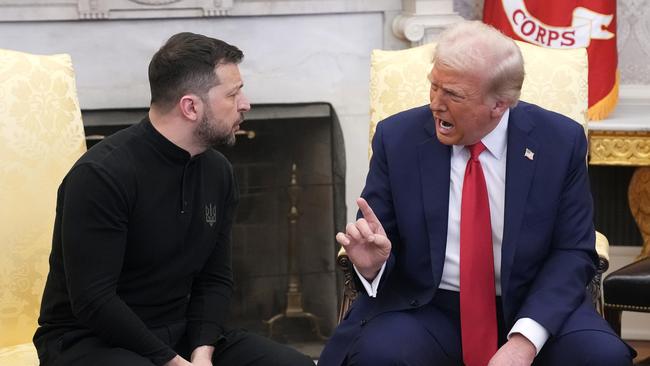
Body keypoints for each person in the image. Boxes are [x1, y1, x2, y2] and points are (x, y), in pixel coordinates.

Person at [319, 21, 634, 366]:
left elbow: (572, 251)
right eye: (434, 87)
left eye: (452, 94)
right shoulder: (398, 138)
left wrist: (525, 341)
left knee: (601, 358)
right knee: (377, 356)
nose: (435, 104)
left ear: (499, 104)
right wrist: (374, 266)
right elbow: (378, 237)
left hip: (535, 302)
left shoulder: (559, 141)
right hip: (427, 306)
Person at [33, 32, 314, 366]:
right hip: (89, 341)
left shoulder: (218, 171)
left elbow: (215, 279)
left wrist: (202, 353)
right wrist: (172, 362)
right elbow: (94, 301)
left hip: (180, 336)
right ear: (191, 106)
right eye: (234, 93)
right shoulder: (101, 175)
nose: (245, 103)